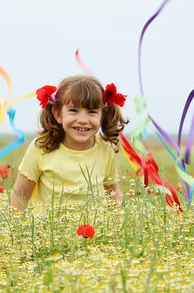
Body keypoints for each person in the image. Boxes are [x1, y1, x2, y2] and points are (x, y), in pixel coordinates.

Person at [10, 75, 129, 211]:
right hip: (48, 230)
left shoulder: (105, 149)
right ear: (58, 114)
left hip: (95, 231)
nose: (83, 120)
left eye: (92, 112)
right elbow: (20, 195)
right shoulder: (41, 147)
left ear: (102, 116)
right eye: (73, 110)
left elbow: (112, 192)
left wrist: (117, 226)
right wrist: (16, 229)